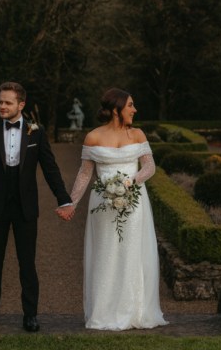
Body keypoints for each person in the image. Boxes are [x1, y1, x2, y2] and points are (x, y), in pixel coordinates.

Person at [0, 82, 74, 332]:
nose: (2, 106)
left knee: (27, 263)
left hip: (25, 207)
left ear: (21, 104)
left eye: (7, 102)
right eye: (0, 102)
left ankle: (30, 316)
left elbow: (50, 168)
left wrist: (64, 198)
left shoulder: (35, 132)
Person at [62, 88, 168, 330]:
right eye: (130, 105)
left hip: (134, 203)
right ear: (115, 110)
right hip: (102, 205)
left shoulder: (138, 134)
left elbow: (149, 168)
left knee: (132, 253)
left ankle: (134, 311)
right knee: (106, 254)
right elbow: (84, 174)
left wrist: (131, 182)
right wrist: (71, 203)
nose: (135, 109)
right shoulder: (93, 137)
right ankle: (104, 312)